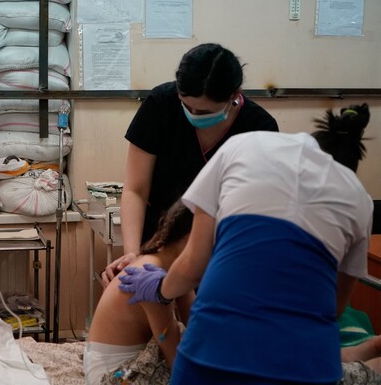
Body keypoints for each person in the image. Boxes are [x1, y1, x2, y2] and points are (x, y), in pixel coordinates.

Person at [118, 103, 373, 384]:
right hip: (308, 362)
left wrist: (159, 290)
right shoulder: (358, 199)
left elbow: (193, 266)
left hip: (215, 353)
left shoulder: (242, 148)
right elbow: (334, 307)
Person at [103, 43, 279, 286]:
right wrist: (132, 254)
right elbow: (136, 189)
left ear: (234, 95)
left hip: (220, 247)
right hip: (157, 240)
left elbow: (251, 209)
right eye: (186, 105)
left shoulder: (259, 128)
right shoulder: (160, 104)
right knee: (148, 289)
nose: (194, 115)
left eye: (204, 112)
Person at [84, 201, 195, 385]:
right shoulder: (149, 278)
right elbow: (174, 355)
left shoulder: (169, 264)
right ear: (190, 239)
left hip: (106, 362)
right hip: (113, 375)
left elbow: (195, 325)